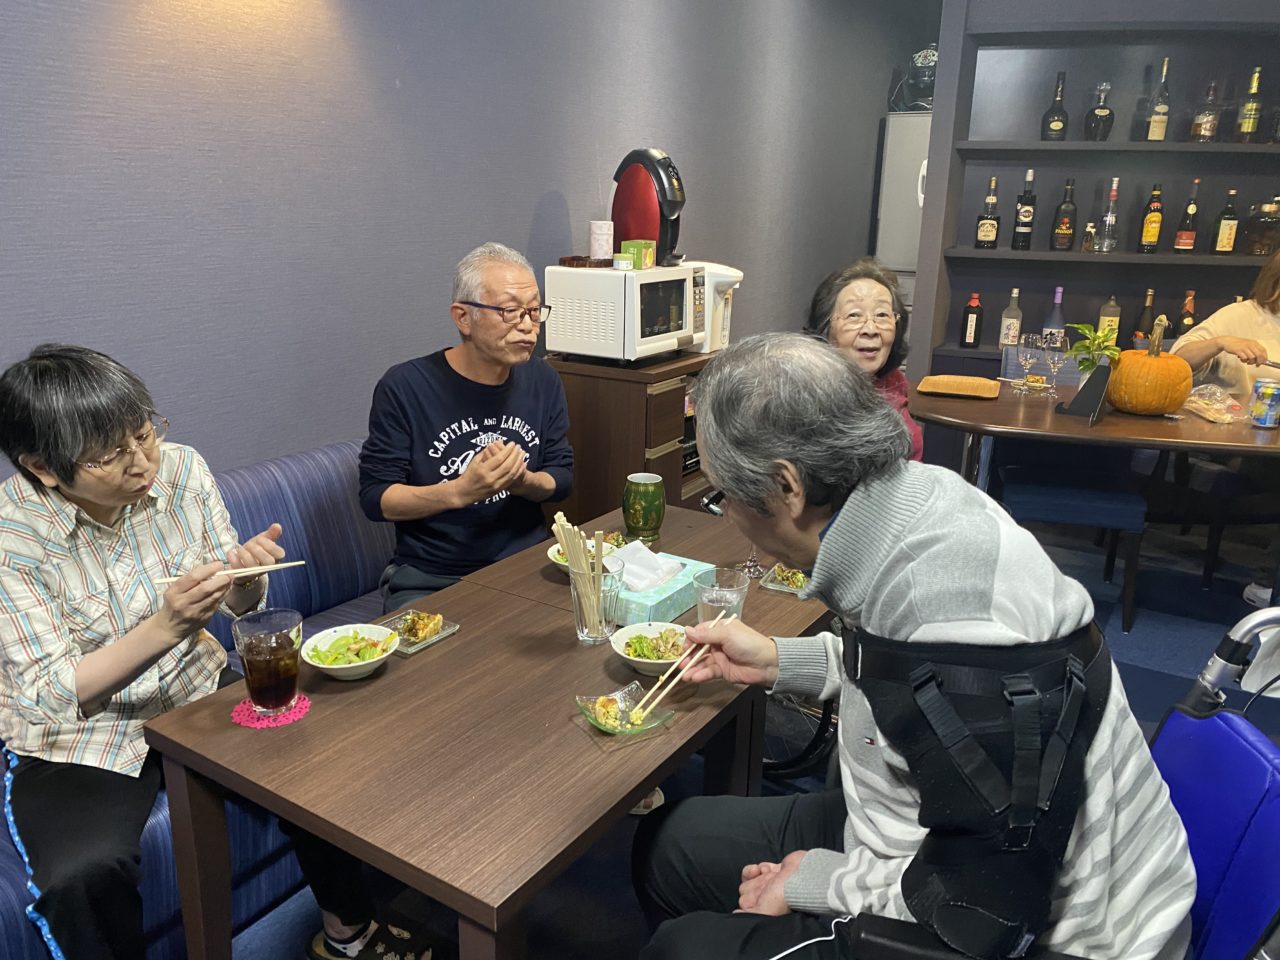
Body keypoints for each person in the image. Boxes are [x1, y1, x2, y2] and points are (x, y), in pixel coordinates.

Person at [632, 334, 1194, 960]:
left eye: (723, 496)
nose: (728, 514)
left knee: (682, 948)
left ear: (786, 486)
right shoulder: (913, 499)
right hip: (925, 833)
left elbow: (987, 911)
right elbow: (907, 684)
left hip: (1051, 932)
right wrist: (778, 660)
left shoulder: (958, 622)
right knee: (673, 843)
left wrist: (818, 882)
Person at [0, 345, 429, 960]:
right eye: (109, 454)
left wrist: (245, 577)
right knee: (83, 875)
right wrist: (166, 625)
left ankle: (348, 933)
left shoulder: (182, 470)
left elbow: (239, 605)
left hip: (194, 684)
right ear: (43, 466)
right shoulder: (13, 535)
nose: (141, 462)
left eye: (143, 434)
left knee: (324, 760)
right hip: (79, 735)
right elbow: (53, 693)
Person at [360, 242, 573, 613]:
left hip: (526, 563)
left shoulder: (543, 379)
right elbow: (376, 498)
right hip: (433, 577)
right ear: (463, 317)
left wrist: (523, 481)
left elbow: (562, 478)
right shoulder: (406, 387)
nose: (527, 325)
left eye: (534, 311)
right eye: (510, 311)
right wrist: (461, 491)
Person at [1170, 249, 1280, 608]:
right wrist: (1220, 343)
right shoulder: (1241, 316)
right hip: (1236, 443)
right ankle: (1269, 582)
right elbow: (1176, 361)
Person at [806, 257, 923, 461]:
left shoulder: (893, 382)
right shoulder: (806, 397)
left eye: (882, 315)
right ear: (825, 327)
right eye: (854, 315)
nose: (871, 329)